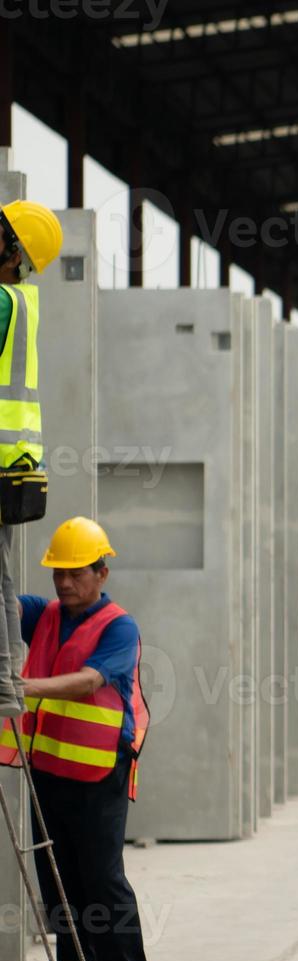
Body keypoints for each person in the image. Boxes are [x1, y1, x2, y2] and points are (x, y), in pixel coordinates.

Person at [0, 517, 150, 961]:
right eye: (58, 573)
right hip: (48, 771)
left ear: (101, 573)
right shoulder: (39, 613)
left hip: (100, 774)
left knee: (103, 883)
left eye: (76, 573)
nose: (65, 582)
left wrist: (21, 686)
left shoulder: (119, 628)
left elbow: (89, 682)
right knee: (58, 883)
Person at [0, 200, 63, 717]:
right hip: (14, 467)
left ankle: (3, 677)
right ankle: (4, 676)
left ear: (13, 250)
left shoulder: (3, 302)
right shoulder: (21, 301)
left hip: (2, 463)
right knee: (0, 571)